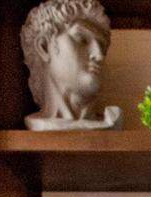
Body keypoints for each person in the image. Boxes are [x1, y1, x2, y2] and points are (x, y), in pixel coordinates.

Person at [20, 0, 122, 131]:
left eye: (101, 47)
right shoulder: (37, 123)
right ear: (45, 47)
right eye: (82, 39)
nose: (99, 55)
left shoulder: (111, 119)